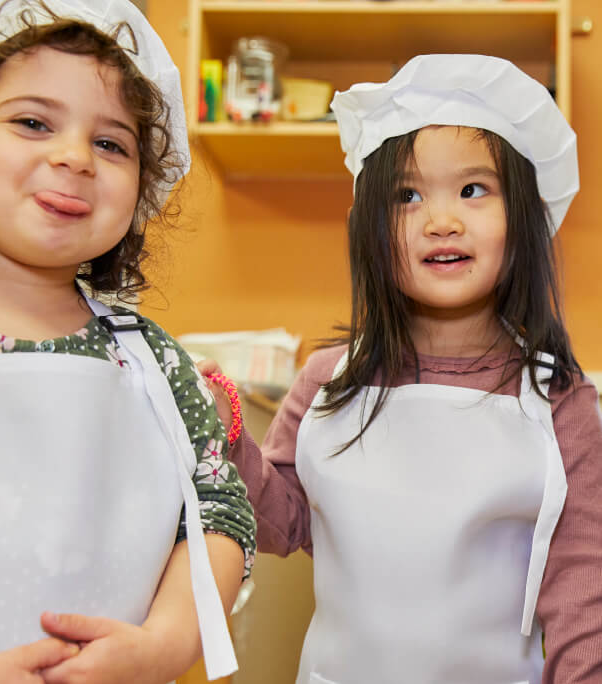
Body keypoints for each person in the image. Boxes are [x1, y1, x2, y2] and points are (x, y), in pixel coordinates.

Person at [203, 54, 602, 683]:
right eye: (407, 196)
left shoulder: (562, 400)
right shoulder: (328, 380)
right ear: (369, 232)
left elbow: (583, 596)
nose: (441, 220)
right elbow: (281, 524)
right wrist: (224, 428)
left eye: (474, 189)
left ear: (523, 222)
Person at [0, 1, 255, 682]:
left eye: (112, 144)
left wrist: (167, 645)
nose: (73, 157)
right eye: (33, 122)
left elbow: (217, 510)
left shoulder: (156, 358)